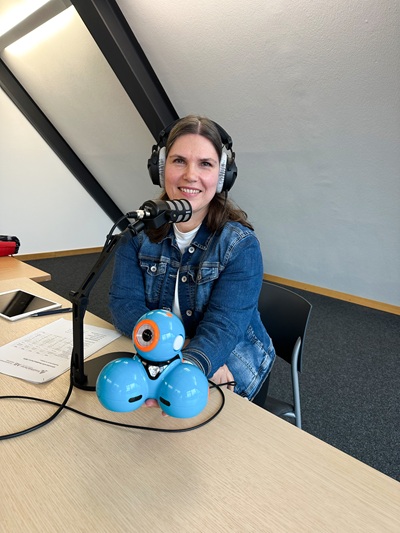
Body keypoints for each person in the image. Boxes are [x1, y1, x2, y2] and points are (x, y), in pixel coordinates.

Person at [109, 114, 275, 401]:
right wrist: (173, 349)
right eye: (179, 161)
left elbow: (224, 327)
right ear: (161, 168)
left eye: (205, 164)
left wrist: (187, 364)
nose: (190, 175)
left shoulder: (240, 245)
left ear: (222, 176)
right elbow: (124, 305)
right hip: (160, 356)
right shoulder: (137, 234)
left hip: (229, 364)